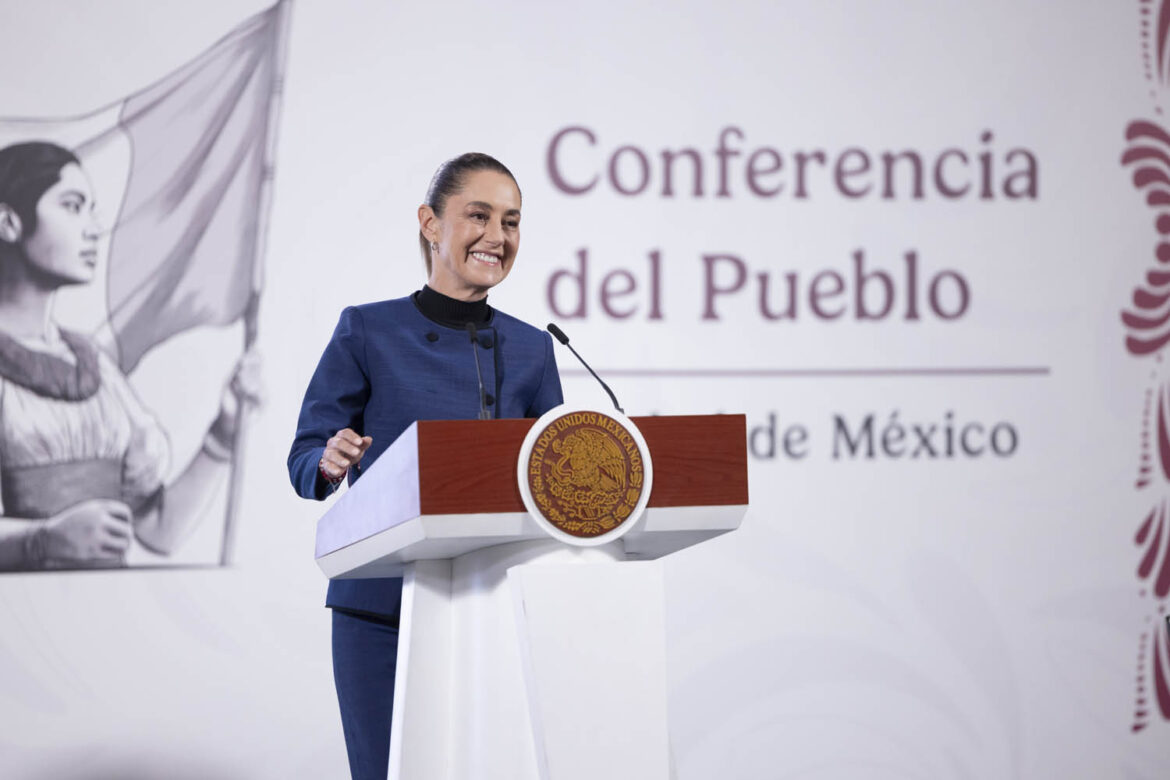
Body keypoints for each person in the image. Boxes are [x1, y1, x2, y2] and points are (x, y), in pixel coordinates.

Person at [287, 152, 564, 780]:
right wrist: (328, 461)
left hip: (489, 602)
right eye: (479, 215)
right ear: (430, 223)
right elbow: (304, 455)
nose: (499, 236)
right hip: (380, 606)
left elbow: (555, 481)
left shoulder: (533, 349)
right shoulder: (366, 330)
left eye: (512, 221)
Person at [0, 140, 258, 570]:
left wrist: (225, 430)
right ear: (8, 222)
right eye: (72, 205)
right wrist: (41, 540)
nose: (92, 227)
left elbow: (158, 530)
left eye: (91, 208)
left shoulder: (94, 364)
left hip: (108, 617)